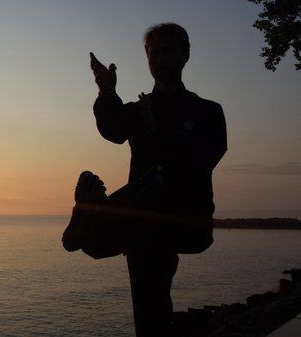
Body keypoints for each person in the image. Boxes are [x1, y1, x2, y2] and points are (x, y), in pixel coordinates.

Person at [89, 23, 227, 337]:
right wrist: (107, 92)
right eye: (153, 52)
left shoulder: (208, 111)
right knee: (150, 306)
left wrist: (164, 142)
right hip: (143, 226)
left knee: (154, 297)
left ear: (185, 54)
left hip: (185, 219)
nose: (159, 58)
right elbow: (113, 131)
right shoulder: (137, 111)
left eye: (167, 50)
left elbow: (207, 156)